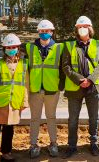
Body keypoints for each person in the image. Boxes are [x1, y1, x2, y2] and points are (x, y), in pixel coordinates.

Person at [62, 16, 99, 157]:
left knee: (94, 117)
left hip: (92, 88)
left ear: (90, 29)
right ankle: (72, 146)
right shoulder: (69, 46)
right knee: (73, 119)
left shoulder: (98, 44)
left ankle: (93, 143)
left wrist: (90, 80)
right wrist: (80, 80)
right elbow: (66, 66)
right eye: (80, 27)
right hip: (75, 88)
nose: (82, 29)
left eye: (85, 27)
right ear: (76, 29)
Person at [0, 34, 29, 162]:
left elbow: (25, 84)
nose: (11, 49)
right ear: (4, 49)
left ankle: (6, 152)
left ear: (18, 48)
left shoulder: (23, 64)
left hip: (14, 101)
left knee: (9, 129)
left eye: (14, 46)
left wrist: (24, 101)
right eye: (9, 47)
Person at [24, 20, 65, 158]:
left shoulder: (59, 48)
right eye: (42, 31)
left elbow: (63, 69)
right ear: (38, 32)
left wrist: (61, 86)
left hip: (52, 90)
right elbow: (25, 69)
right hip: (35, 90)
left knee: (51, 117)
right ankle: (33, 145)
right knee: (34, 118)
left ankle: (53, 144)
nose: (44, 33)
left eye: (47, 31)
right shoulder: (30, 48)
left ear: (52, 32)